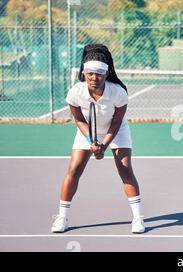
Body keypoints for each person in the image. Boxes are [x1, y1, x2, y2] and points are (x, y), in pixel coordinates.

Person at [51, 44, 145, 233]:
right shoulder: (75, 93)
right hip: (87, 131)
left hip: (116, 131)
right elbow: (78, 119)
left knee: (125, 170)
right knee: (74, 169)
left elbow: (117, 122)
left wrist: (103, 146)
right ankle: (62, 218)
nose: (94, 78)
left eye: (99, 74)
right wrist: (91, 141)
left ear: (107, 73)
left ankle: (137, 218)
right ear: (84, 73)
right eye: (90, 74)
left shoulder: (118, 92)